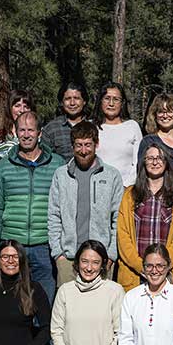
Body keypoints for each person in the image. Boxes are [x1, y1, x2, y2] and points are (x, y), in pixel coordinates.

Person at [0, 111, 65, 302]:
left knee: (44, 302)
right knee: (13, 303)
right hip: (13, 245)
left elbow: (66, 207)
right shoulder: (3, 166)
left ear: (39, 132)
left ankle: (42, 333)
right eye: (22, 130)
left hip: (45, 246)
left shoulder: (57, 164)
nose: (26, 134)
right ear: (15, 131)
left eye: (31, 130)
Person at [48, 120, 123, 287]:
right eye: (78, 145)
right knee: (69, 309)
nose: (83, 151)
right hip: (68, 258)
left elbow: (117, 219)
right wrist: (58, 254)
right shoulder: (61, 175)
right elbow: (54, 216)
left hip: (100, 259)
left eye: (88, 145)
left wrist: (110, 255)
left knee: (100, 310)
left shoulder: (111, 175)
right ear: (72, 146)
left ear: (96, 144)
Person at [116, 143, 173, 292]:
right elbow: (123, 236)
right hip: (135, 274)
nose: (155, 162)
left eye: (159, 158)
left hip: (166, 274)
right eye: (150, 158)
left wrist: (160, 266)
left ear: (166, 162)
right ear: (143, 162)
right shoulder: (130, 195)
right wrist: (142, 266)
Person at [93, 81, 143, 187]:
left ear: (122, 103)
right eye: (107, 98)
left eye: (116, 99)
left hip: (125, 189)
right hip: (95, 187)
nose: (111, 103)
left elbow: (139, 161)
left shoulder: (132, 126)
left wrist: (126, 186)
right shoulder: (91, 126)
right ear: (100, 101)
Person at [41, 81, 90, 160]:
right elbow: (45, 160)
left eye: (76, 98)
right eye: (67, 99)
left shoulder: (94, 125)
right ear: (62, 102)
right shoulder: (51, 129)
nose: (72, 103)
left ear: (84, 101)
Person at [0, 90, 34, 157]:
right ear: (9, 108)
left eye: (26, 107)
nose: (22, 110)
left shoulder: (39, 136)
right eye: (17, 106)